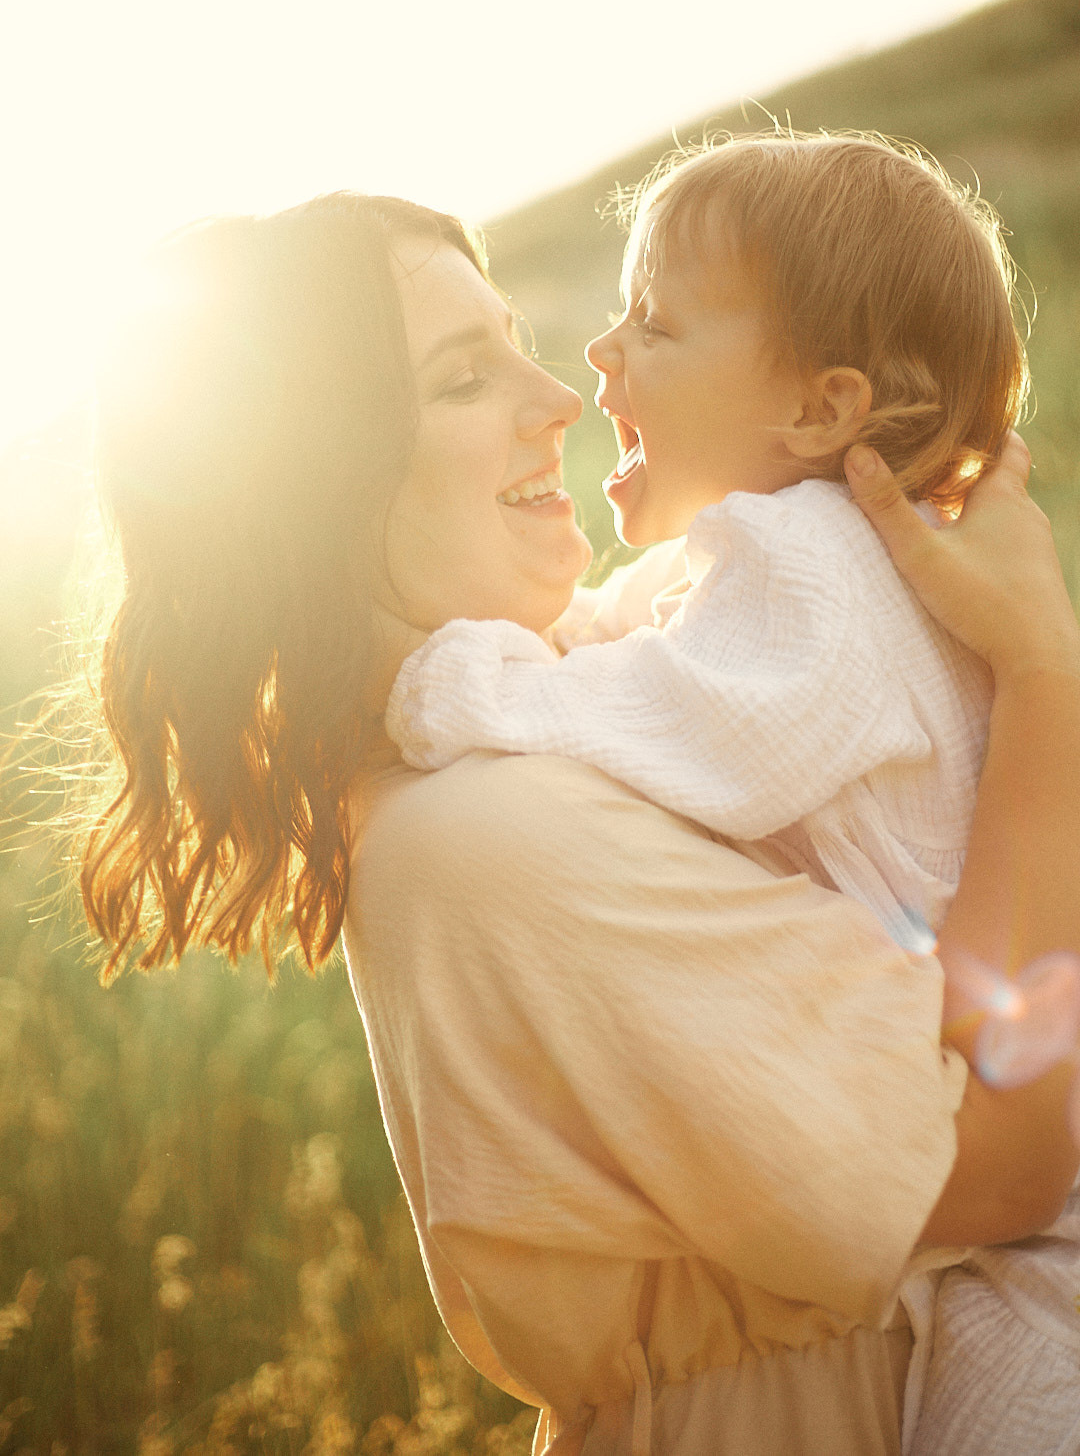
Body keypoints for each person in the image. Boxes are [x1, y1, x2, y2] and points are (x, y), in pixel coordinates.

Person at [82, 191, 1080, 1455]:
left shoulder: (546, 714)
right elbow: (1004, 1170)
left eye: (515, 339)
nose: (557, 394)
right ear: (321, 480)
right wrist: (1044, 676)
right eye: (460, 379)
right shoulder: (490, 831)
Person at [380, 136, 1080, 1451]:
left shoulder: (815, 558)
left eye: (653, 324)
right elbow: (622, 647)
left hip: (1049, 1246)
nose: (598, 362)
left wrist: (446, 681)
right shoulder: (759, 567)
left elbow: (692, 725)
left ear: (818, 415)